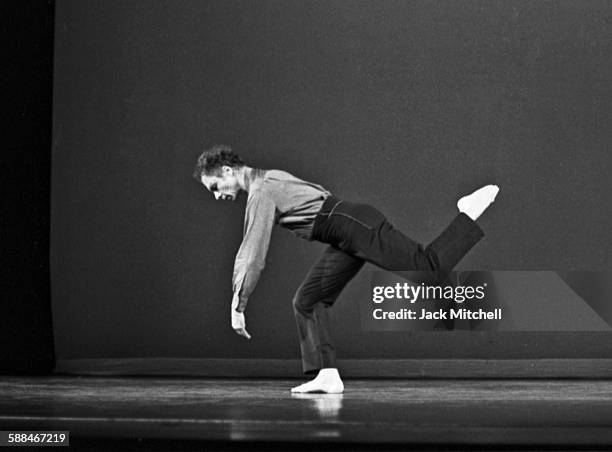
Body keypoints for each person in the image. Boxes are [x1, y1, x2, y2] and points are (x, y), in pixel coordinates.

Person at [193, 145, 499, 393]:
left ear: (227, 171)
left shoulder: (261, 190)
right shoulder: (268, 179)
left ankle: (468, 213)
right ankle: (326, 374)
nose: (218, 194)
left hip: (350, 226)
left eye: (216, 186)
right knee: (307, 300)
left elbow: (253, 251)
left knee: (428, 270)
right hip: (343, 232)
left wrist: (238, 302)